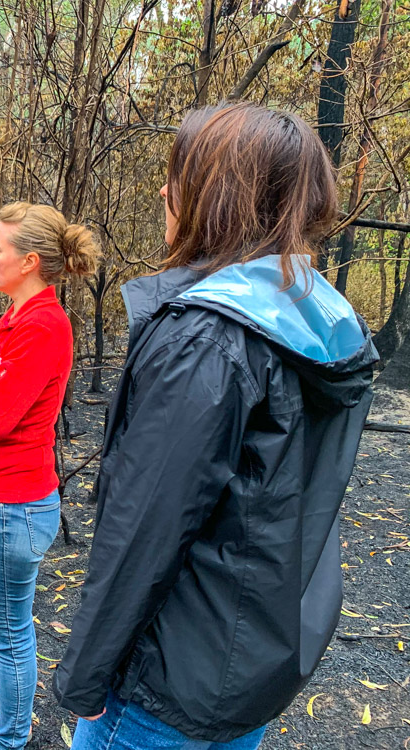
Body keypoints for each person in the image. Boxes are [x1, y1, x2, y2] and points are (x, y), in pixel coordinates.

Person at [54, 103, 378, 749]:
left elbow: (146, 525)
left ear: (215, 196)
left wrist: (85, 681)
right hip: (251, 666)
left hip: (163, 685)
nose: (164, 191)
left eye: (178, 175)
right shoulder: (316, 319)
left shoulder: (209, 336)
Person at [0, 202, 99, 750]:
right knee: (7, 629)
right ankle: (11, 726)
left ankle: (8, 739)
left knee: (9, 634)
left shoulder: (43, 326)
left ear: (28, 261)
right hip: (0, 499)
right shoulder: (13, 321)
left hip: (12, 505)